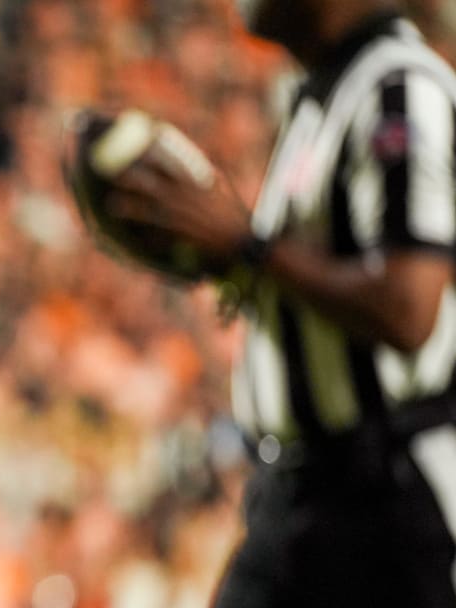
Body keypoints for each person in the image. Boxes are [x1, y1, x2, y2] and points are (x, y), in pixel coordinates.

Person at [72, 1, 456, 606]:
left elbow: (407, 308)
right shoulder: (326, 93)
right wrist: (215, 252)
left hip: (383, 500)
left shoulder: (398, 88)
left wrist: (247, 247)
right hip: (310, 491)